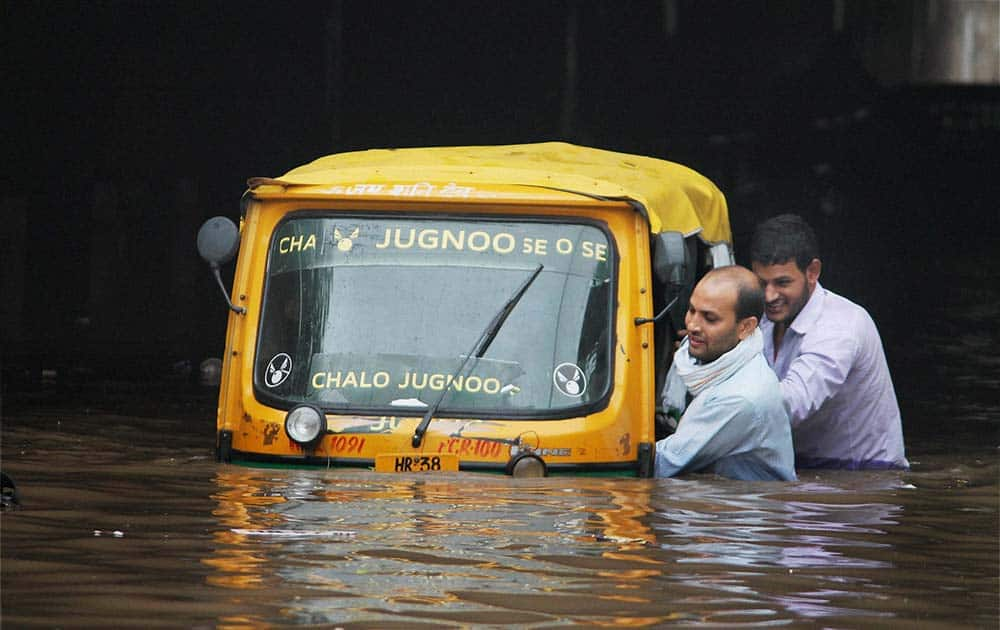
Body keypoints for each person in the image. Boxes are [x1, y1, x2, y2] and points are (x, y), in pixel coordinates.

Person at [750, 214, 908, 470]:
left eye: (782, 283)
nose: (769, 296)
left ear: (812, 272)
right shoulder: (762, 320)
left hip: (864, 478)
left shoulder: (841, 325)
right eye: (761, 283)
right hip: (802, 471)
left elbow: (790, 405)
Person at [655, 266, 796, 481]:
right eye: (692, 310)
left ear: (746, 328)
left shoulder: (741, 398)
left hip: (742, 511)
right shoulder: (698, 350)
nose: (693, 326)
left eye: (710, 319)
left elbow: (661, 464)